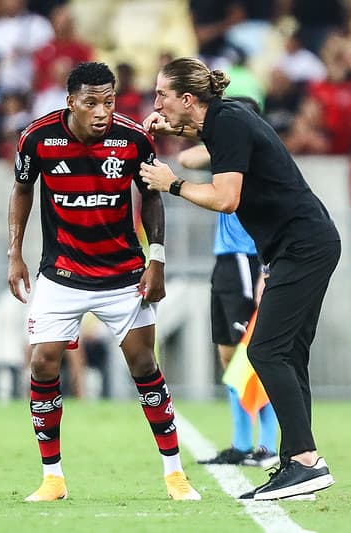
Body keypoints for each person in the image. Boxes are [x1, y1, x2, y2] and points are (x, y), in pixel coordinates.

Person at [140, 57, 340, 501]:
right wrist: (175, 129)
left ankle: (305, 460)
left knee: (265, 350)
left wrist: (170, 184)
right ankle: (297, 461)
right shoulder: (224, 120)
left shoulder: (228, 123)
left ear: (188, 98)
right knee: (288, 353)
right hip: (305, 242)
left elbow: (226, 199)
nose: (155, 103)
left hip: (302, 246)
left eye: (162, 95)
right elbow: (201, 137)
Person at [7, 61, 200, 502]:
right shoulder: (37, 139)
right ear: (70, 102)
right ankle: (52, 478)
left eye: (109, 102)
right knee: (42, 363)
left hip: (123, 275)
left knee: (144, 365)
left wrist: (157, 258)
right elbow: (21, 190)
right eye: (91, 103)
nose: (102, 112)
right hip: (61, 273)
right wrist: (14, 253)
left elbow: (150, 197)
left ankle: (175, 474)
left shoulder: (133, 139)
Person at [176, 96, 278, 468]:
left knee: (252, 352)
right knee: (227, 354)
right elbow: (186, 159)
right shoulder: (227, 155)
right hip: (225, 262)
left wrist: (265, 272)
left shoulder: (257, 160)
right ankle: (240, 443)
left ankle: (266, 445)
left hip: (246, 260)